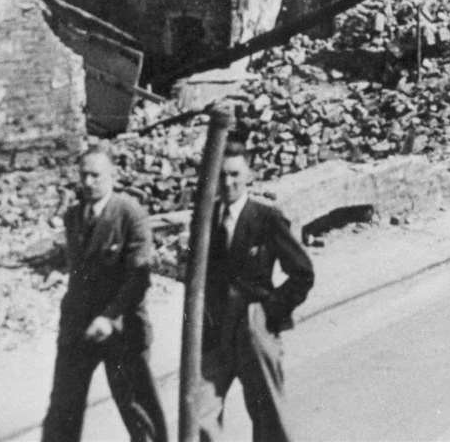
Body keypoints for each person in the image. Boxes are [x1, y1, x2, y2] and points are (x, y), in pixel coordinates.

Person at [42, 144, 168, 442]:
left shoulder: (130, 214)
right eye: (83, 176)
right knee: (63, 409)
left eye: (95, 176)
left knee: (137, 408)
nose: (88, 183)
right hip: (78, 328)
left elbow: (138, 280)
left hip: (122, 329)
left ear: (113, 175)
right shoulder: (73, 217)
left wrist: (108, 317)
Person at [198, 143, 316, 442]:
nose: (228, 182)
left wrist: (269, 313)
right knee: (200, 416)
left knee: (269, 421)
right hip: (215, 333)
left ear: (248, 173)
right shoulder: (205, 219)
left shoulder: (266, 218)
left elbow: (302, 272)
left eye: (235, 174)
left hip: (253, 330)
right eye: (221, 175)